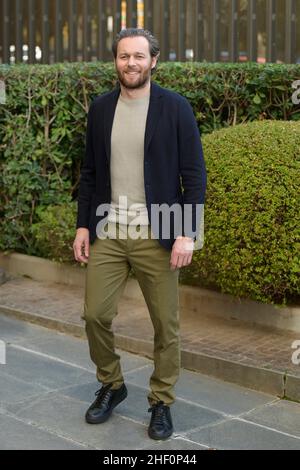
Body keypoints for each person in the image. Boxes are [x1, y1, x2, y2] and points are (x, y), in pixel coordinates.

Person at [73, 28, 206, 441]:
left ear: (154, 61)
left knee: (166, 325)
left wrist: (188, 233)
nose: (130, 63)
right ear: (115, 61)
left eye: (138, 56)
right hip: (109, 230)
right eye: (123, 56)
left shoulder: (176, 108)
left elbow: (194, 176)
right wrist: (82, 225)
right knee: (95, 314)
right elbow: (90, 172)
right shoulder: (100, 109)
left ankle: (161, 401)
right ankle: (112, 384)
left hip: (160, 232)